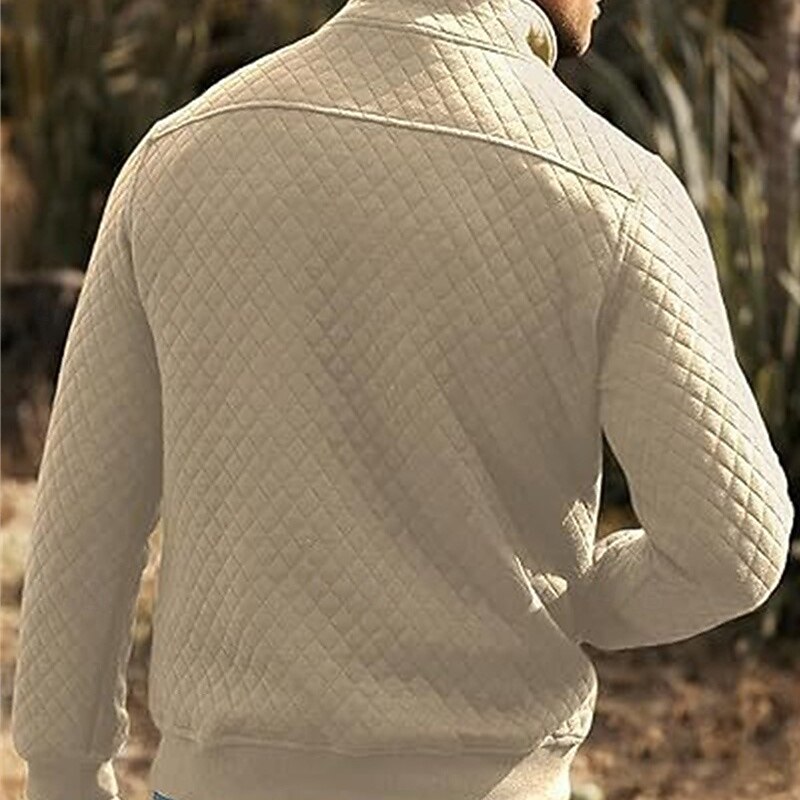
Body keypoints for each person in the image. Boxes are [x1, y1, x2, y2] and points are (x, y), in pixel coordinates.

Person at [10, 0, 795, 799]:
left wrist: (65, 775)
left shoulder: (177, 157)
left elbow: (87, 518)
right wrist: (580, 602)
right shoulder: (617, 191)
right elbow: (733, 549)